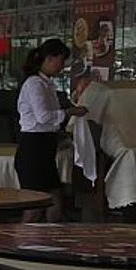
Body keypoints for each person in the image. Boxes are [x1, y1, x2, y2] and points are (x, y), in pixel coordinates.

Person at [15, 38, 85, 219]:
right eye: (61, 61)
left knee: (54, 198)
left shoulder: (47, 84)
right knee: (34, 205)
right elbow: (43, 116)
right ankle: (24, 243)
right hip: (33, 147)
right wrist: (69, 112)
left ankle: (50, 239)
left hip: (45, 144)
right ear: (50, 59)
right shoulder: (34, 83)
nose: (62, 66)